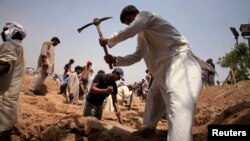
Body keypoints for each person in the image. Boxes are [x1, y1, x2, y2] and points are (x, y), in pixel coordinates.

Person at [99, 5, 214, 141]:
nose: (130, 24)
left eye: (129, 20)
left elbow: (131, 29)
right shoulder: (141, 37)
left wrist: (109, 40)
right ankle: (149, 129)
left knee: (177, 102)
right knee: (153, 97)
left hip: (179, 61)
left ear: (136, 13)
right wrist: (116, 59)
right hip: (161, 72)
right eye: (127, 23)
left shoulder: (146, 16)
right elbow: (136, 56)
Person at [0, 21, 27, 140]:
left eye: (4, 30)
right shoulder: (19, 47)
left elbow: (3, 66)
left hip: (2, 106)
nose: (2, 33)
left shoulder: (10, 45)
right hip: (9, 108)